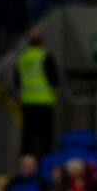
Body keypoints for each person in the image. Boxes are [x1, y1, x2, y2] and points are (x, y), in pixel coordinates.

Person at [16, 28, 60, 157]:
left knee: (28, 139)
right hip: (44, 103)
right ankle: (43, 169)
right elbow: (55, 80)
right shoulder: (45, 56)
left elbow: (17, 82)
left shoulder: (22, 58)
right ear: (42, 40)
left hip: (27, 104)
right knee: (45, 138)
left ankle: (27, 167)